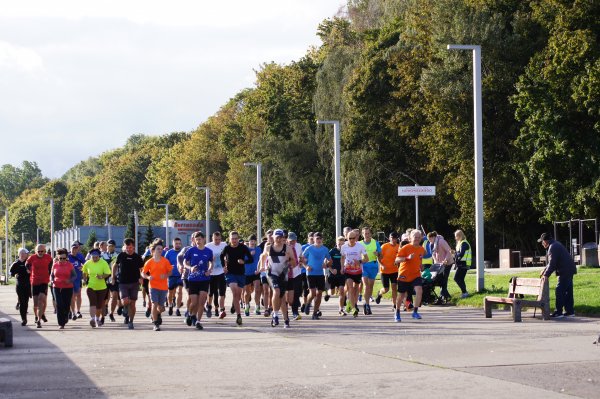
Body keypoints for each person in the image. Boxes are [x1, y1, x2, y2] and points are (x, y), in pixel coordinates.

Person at [260, 229, 296, 328]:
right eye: (277, 237)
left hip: (283, 274)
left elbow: (294, 263)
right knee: (276, 291)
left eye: (281, 237)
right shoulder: (268, 248)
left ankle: (286, 320)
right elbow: (263, 256)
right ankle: (275, 315)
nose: (279, 239)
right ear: (273, 237)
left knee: (282, 298)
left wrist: (289, 260)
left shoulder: (288, 248)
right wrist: (262, 267)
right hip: (272, 273)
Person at [538, 232, 578, 318]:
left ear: (545, 241)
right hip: (569, 270)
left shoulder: (552, 247)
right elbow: (552, 262)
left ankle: (558, 312)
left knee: (559, 291)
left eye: (542, 242)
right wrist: (545, 270)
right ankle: (570, 311)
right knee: (567, 291)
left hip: (565, 271)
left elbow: (552, 264)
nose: (542, 244)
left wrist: (546, 275)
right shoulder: (555, 244)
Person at [220, 231, 253, 326]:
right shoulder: (227, 248)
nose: (234, 240)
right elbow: (222, 256)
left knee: (238, 295)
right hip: (230, 273)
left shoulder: (243, 247)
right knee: (235, 292)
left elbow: (251, 259)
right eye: (232, 239)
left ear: (238, 239)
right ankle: (239, 316)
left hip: (241, 274)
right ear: (229, 239)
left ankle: (234, 304)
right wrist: (224, 267)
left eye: (235, 238)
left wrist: (244, 261)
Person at [183, 232, 213, 330]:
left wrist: (209, 270)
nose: (198, 241)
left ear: (204, 239)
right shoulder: (191, 250)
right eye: (196, 240)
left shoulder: (208, 251)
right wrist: (190, 268)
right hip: (193, 279)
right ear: (194, 240)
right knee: (194, 302)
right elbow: (185, 262)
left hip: (204, 279)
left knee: (201, 302)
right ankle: (191, 314)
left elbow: (211, 262)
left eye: (200, 239)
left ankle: (198, 321)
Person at [395, 229, 426, 322]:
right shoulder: (405, 248)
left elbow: (419, 259)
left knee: (419, 290)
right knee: (401, 295)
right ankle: (397, 313)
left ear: (420, 238)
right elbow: (396, 260)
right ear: (410, 238)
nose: (416, 239)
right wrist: (407, 258)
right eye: (414, 237)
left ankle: (415, 312)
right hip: (404, 274)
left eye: (418, 237)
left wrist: (421, 267)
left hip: (416, 274)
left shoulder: (421, 249)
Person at [142, 239, 172, 331]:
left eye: (161, 249)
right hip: (153, 286)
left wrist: (166, 275)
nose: (160, 250)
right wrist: (147, 277)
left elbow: (170, 272)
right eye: (158, 249)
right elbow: (143, 273)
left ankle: (157, 314)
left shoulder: (165, 261)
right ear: (153, 250)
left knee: (161, 308)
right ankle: (155, 323)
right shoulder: (149, 262)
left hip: (163, 287)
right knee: (154, 304)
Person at [114, 238, 145, 329]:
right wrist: (113, 276)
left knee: (133, 304)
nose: (129, 249)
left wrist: (141, 277)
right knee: (125, 301)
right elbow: (115, 265)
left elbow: (141, 269)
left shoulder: (137, 257)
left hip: (134, 283)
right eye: (127, 247)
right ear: (124, 247)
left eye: (130, 247)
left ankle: (131, 321)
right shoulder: (121, 256)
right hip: (123, 282)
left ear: (133, 247)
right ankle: (125, 308)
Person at [302, 232, 331, 319]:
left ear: (322, 239)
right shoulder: (309, 248)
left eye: (320, 238)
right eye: (317, 238)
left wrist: (326, 265)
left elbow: (330, 260)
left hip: (320, 274)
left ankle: (315, 313)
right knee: (313, 293)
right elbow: (301, 259)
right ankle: (307, 303)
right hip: (311, 273)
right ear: (314, 239)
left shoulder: (325, 249)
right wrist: (306, 266)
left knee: (319, 294)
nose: (319, 240)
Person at [82, 248, 112, 328]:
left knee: (99, 305)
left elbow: (108, 273)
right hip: (91, 286)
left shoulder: (103, 263)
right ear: (90, 256)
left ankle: (97, 319)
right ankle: (92, 319)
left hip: (102, 287)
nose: (94, 258)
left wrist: (101, 276)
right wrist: (84, 280)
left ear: (99, 256)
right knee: (92, 302)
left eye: (96, 257)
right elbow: (84, 271)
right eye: (93, 257)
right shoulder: (88, 263)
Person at [341, 231, 367, 317]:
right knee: (350, 288)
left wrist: (359, 261)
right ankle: (353, 309)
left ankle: (353, 303)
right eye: (350, 238)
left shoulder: (360, 246)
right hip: (348, 270)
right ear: (347, 238)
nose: (352, 240)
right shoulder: (344, 247)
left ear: (356, 238)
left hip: (358, 270)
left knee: (356, 289)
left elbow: (366, 258)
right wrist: (342, 268)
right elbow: (342, 258)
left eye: (353, 238)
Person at [26, 244, 53, 328]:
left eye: (42, 251)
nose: (40, 253)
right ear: (35, 251)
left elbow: (51, 266)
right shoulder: (32, 258)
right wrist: (28, 269)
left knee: (41, 300)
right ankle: (37, 315)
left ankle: (39, 320)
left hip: (44, 281)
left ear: (44, 251)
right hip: (34, 281)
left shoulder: (48, 257)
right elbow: (27, 264)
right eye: (39, 251)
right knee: (35, 303)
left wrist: (50, 275)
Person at [50, 248, 76, 329]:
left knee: (66, 304)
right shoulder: (55, 265)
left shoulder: (70, 265)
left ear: (66, 258)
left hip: (67, 287)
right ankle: (61, 323)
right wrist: (51, 280)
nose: (62, 260)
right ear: (58, 257)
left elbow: (75, 276)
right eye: (60, 258)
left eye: (64, 258)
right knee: (59, 304)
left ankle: (66, 315)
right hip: (56, 286)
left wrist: (70, 280)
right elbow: (51, 275)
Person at [359, 227, 381, 315]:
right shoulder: (359, 243)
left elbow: (381, 255)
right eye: (365, 233)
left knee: (371, 286)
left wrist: (378, 254)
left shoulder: (375, 242)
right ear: (362, 234)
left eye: (368, 233)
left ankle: (366, 302)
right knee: (366, 285)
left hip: (373, 266)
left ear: (370, 234)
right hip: (364, 266)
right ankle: (367, 304)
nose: (367, 235)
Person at [206, 231, 228, 319]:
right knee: (211, 293)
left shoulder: (224, 245)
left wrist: (226, 265)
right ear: (212, 239)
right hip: (212, 273)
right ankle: (209, 306)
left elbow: (227, 256)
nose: (217, 241)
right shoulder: (208, 246)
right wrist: (210, 260)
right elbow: (205, 259)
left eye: (219, 239)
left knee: (222, 293)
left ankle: (221, 310)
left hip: (221, 272)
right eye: (216, 239)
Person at [427, 231, 453, 303]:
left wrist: (445, 260)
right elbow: (433, 253)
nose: (429, 241)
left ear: (433, 237)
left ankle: (443, 294)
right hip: (439, 264)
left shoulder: (441, 241)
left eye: (430, 239)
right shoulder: (432, 244)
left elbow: (449, 251)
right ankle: (445, 294)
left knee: (445, 278)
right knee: (440, 279)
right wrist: (435, 261)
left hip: (447, 263)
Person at [375, 232, 400, 308]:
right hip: (384, 271)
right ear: (389, 238)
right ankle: (379, 293)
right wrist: (382, 265)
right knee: (386, 289)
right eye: (392, 238)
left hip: (394, 270)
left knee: (394, 287)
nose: (393, 239)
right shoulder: (384, 246)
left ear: (397, 239)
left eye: (395, 238)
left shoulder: (399, 247)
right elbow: (378, 257)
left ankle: (394, 304)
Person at [10, 248, 31, 326]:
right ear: (19, 254)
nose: (22, 255)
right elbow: (11, 272)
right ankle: (24, 319)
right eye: (21, 253)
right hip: (20, 285)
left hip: (28, 285)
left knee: (26, 302)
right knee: (22, 302)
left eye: (24, 253)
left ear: (26, 255)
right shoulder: (16, 263)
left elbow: (34, 271)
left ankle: (24, 315)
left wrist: (30, 272)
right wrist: (14, 274)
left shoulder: (28, 263)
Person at [327, 236, 347, 316]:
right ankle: (328, 294)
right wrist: (332, 270)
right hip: (333, 274)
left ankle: (341, 309)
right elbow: (326, 262)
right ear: (336, 243)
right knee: (332, 292)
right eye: (339, 244)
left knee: (342, 291)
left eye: (342, 244)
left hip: (342, 274)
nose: (340, 246)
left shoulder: (345, 251)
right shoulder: (332, 251)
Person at [243, 235, 262, 316]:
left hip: (256, 272)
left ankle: (257, 307)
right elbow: (242, 260)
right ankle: (246, 306)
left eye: (254, 241)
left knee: (257, 289)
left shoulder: (258, 249)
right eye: (251, 241)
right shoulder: (245, 249)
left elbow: (261, 259)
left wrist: (260, 269)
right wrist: (250, 254)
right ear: (249, 242)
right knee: (247, 292)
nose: (252, 242)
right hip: (247, 272)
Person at [287, 232, 304, 320]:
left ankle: (295, 312)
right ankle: (284, 312)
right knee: (287, 293)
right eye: (291, 241)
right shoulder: (284, 246)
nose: (292, 242)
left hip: (297, 272)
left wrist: (301, 261)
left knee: (297, 292)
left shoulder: (299, 246)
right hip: (287, 273)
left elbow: (301, 256)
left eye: (294, 240)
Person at [165, 237, 184, 316]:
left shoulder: (183, 252)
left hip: (180, 275)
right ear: (173, 244)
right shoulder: (169, 253)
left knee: (179, 291)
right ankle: (170, 305)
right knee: (170, 292)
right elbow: (164, 264)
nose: (178, 245)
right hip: (171, 276)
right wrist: (168, 268)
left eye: (179, 243)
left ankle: (178, 309)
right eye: (176, 243)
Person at [104, 239, 122, 322]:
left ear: (114, 247)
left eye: (112, 246)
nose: (110, 247)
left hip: (114, 278)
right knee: (104, 297)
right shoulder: (102, 255)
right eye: (109, 246)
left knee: (115, 295)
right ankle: (104, 308)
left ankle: (111, 313)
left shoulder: (117, 255)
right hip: (104, 279)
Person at [68, 241, 85, 321]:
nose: (74, 250)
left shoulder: (80, 256)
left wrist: (82, 268)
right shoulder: (67, 256)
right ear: (70, 248)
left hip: (78, 278)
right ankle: (72, 312)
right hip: (70, 279)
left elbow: (85, 264)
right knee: (72, 296)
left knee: (78, 295)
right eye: (73, 248)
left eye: (76, 248)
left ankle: (78, 311)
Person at [453, 229, 471, 298]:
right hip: (462, 264)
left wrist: (455, 253)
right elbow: (459, 254)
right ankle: (465, 292)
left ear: (460, 236)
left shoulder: (464, 243)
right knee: (460, 279)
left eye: (456, 236)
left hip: (463, 264)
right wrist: (455, 253)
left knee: (456, 278)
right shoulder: (461, 243)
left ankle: (465, 292)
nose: (455, 238)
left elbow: (461, 254)